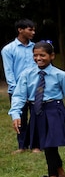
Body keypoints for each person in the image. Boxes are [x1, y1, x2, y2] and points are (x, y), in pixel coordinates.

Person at [9, 40, 65, 177]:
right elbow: (19, 96)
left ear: (51, 56)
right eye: (35, 55)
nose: (38, 58)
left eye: (42, 55)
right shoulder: (27, 74)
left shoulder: (61, 75)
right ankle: (61, 173)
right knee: (47, 145)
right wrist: (15, 114)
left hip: (54, 112)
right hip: (37, 113)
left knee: (50, 147)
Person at [2, 19, 38, 153]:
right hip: (17, 89)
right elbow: (9, 71)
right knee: (20, 117)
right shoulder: (8, 49)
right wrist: (16, 89)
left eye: (34, 29)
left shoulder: (36, 48)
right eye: (30, 29)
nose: (33, 32)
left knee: (36, 116)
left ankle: (35, 145)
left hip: (34, 89)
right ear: (20, 30)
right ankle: (22, 146)